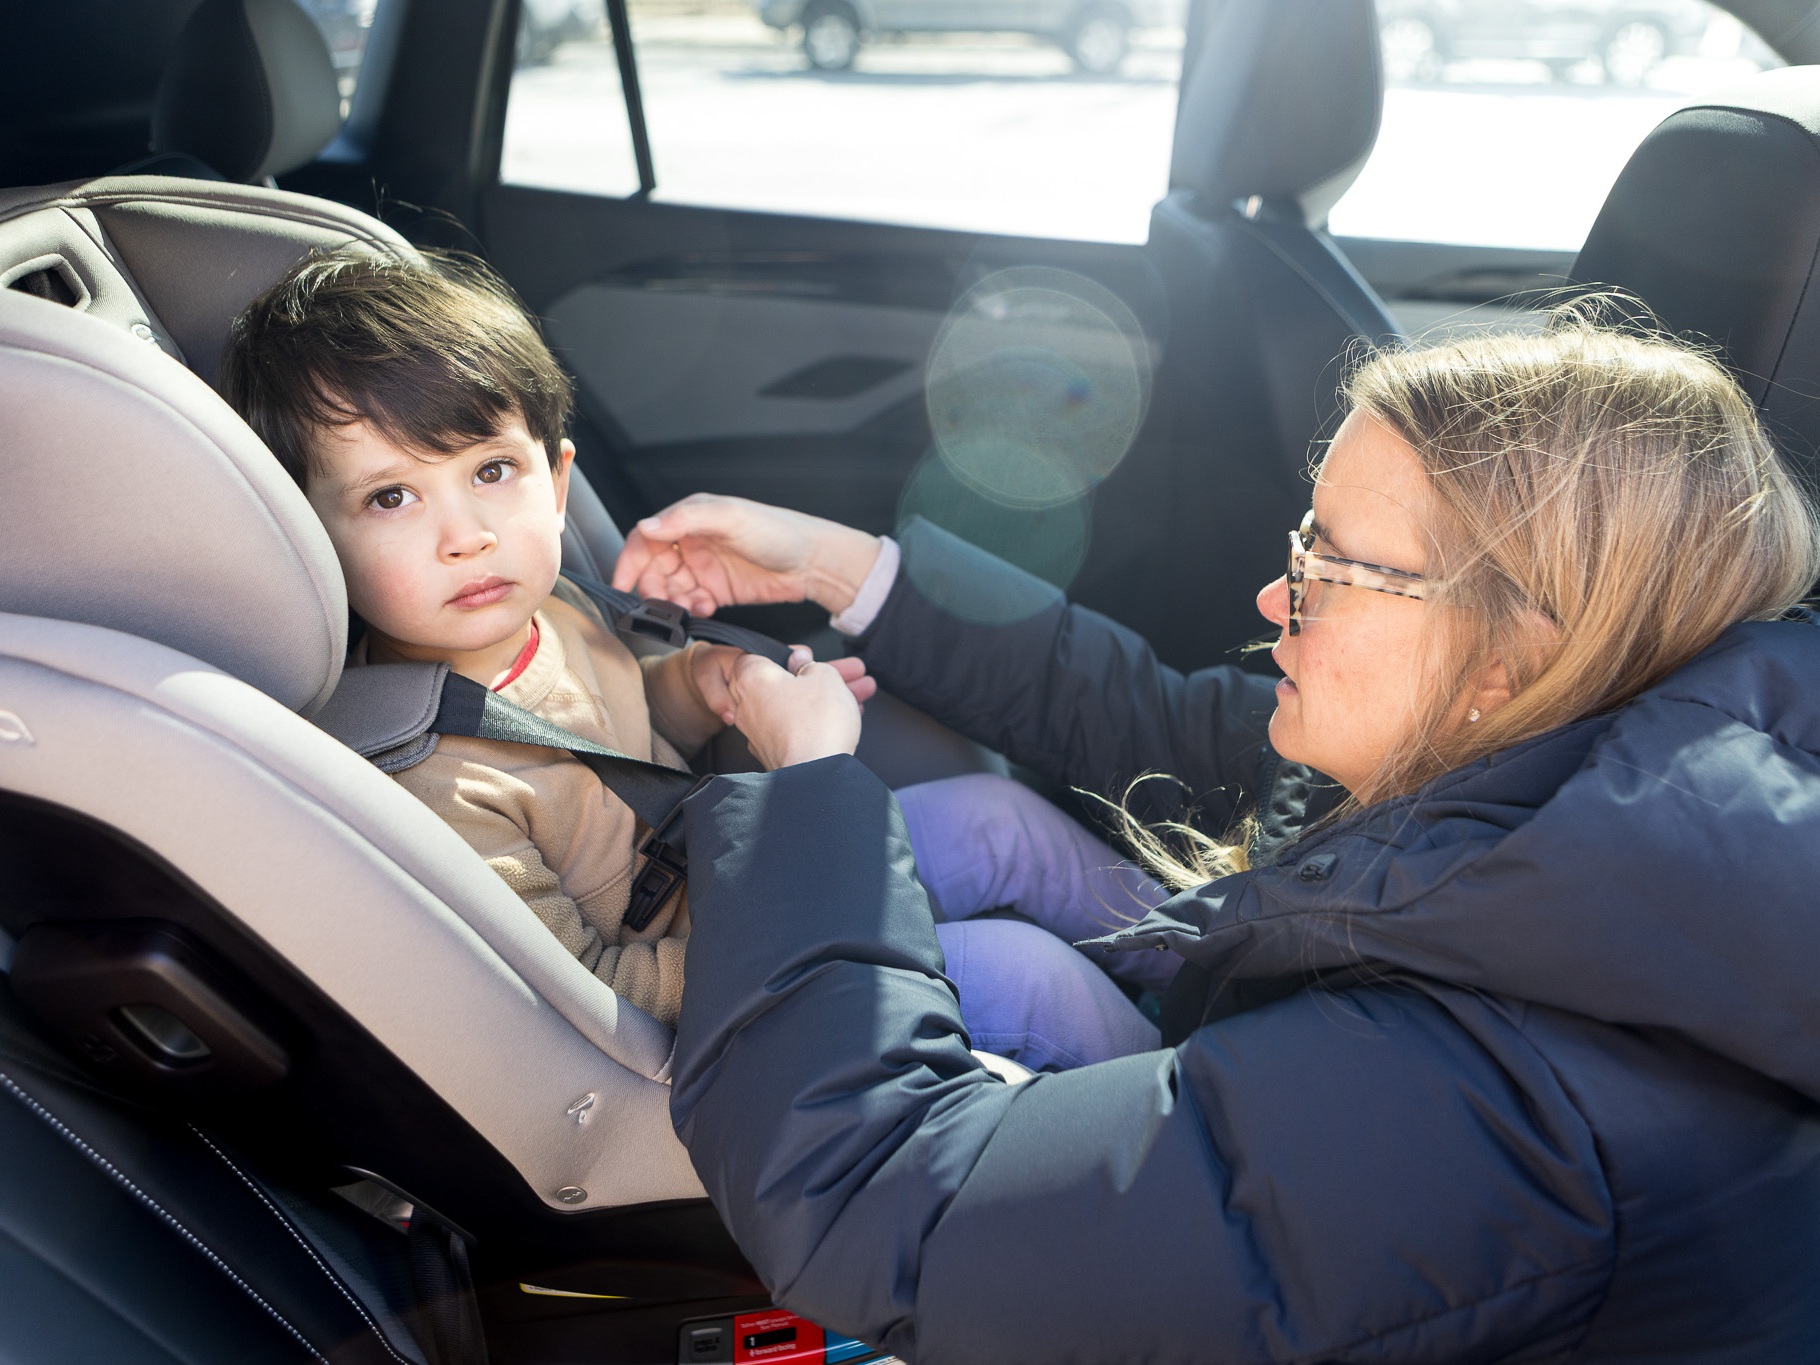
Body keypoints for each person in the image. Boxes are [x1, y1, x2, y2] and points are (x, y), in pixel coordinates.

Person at [617, 314, 1820, 1361]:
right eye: (1303, 544)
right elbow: (1161, 722)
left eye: (1332, 567)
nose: (1273, 597)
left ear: (1508, 658)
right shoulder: (1563, 779)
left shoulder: (1491, 1108)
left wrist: (813, 782)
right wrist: (835, 567)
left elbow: (887, 1212)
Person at [218, 246, 1150, 1065]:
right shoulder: (439, 788)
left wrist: (704, 686)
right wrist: (808, 904)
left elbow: (630, 727)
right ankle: (1198, 1110)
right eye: (392, 498)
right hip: (739, 989)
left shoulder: (553, 606)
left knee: (1000, 817)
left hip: (740, 875)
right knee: (1025, 979)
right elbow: (586, 993)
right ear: (311, 537)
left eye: (491, 471)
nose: (466, 536)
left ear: (558, 482)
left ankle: (1215, 971)